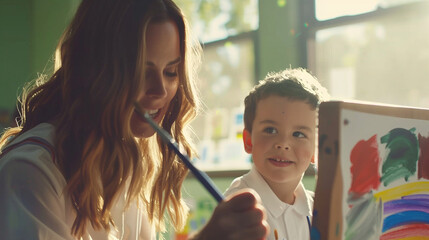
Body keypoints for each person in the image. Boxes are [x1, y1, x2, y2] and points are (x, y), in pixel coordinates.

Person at [0, 0, 268, 239]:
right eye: (140, 70)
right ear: (86, 67)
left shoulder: (124, 162)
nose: (160, 90)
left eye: (171, 72)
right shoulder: (30, 172)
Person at [224, 68, 329, 240]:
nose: (283, 144)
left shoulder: (320, 212)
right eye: (270, 130)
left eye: (299, 134)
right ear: (249, 140)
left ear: (316, 149)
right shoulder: (236, 210)